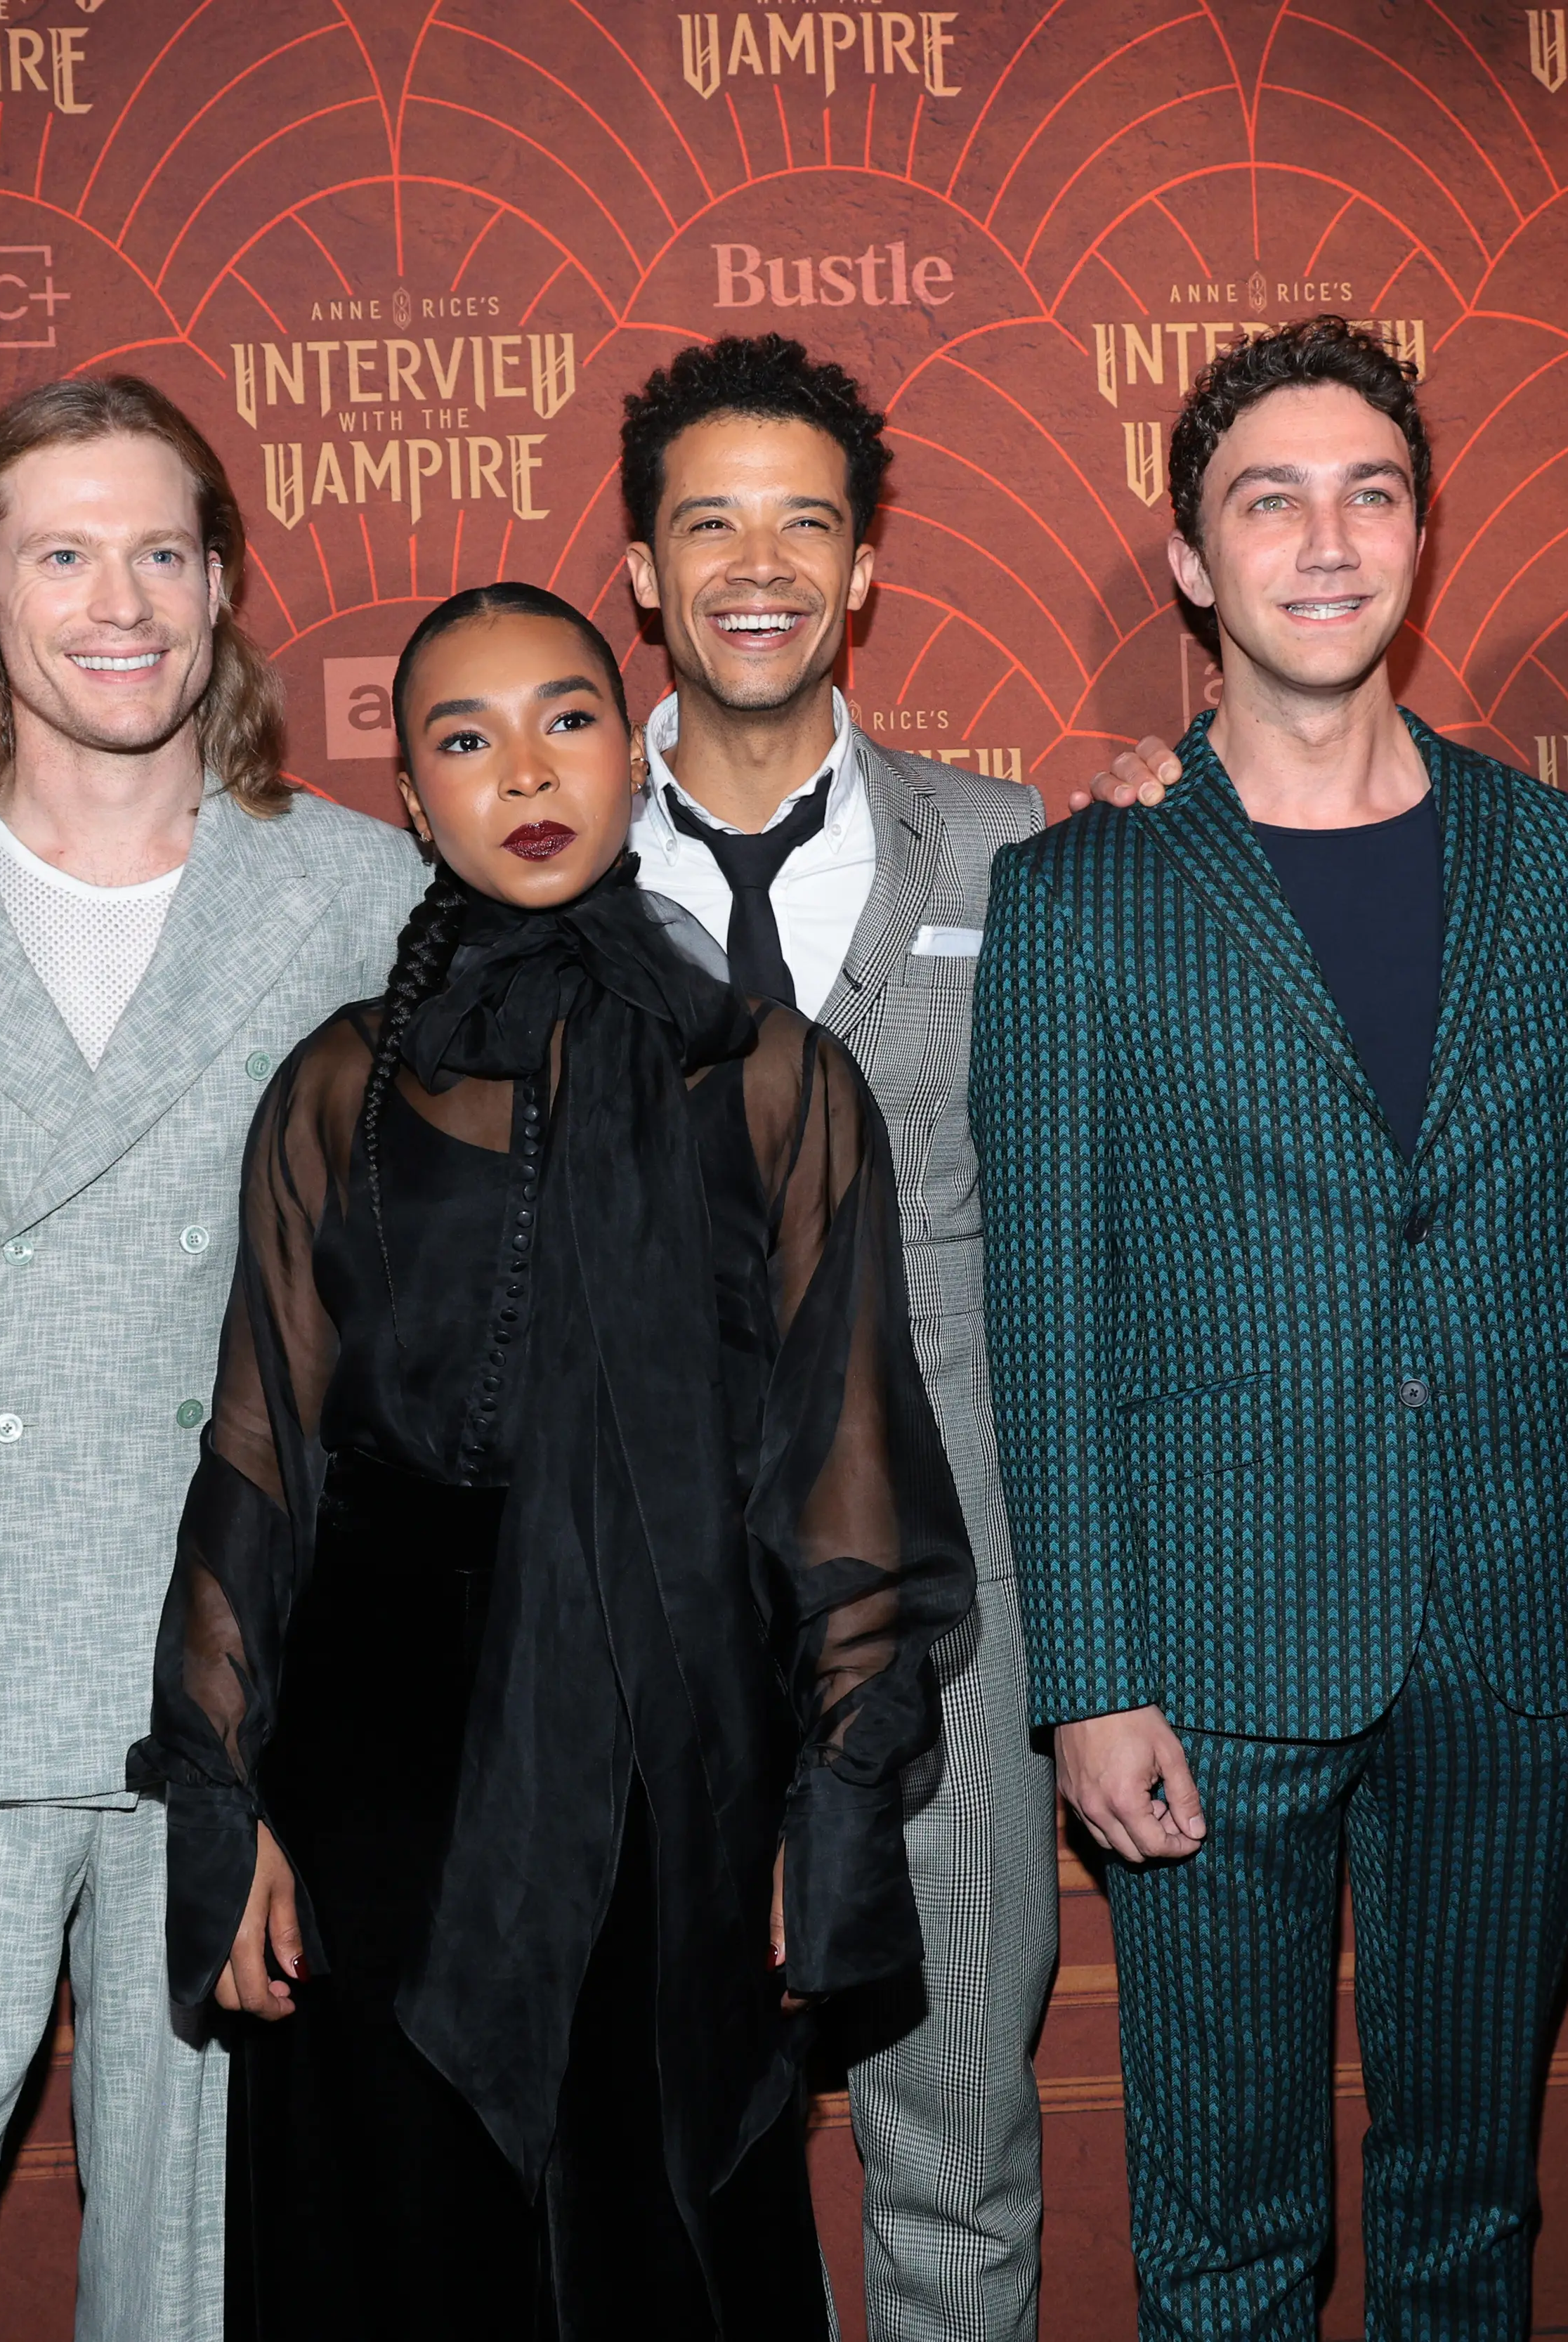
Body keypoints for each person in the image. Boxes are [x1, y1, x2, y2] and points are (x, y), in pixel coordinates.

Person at [141, 581, 972, 2339]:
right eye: (463, 737)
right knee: (402, 2254)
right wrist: (228, 1803)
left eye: (565, 718)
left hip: (675, 1759)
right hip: (379, 1781)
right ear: (416, 800)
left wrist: (819, 1812)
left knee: (649, 2252)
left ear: (633, 749)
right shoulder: (340, 1088)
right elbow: (259, 1458)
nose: (522, 767)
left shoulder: (771, 1078)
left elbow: (847, 1479)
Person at [972, 317, 1568, 2340]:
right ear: (1192, 560)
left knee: (1467, 2211)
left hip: (1518, 1636)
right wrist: (1087, 1672)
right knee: (1228, 2235)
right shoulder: (1078, 894)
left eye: (1369, 494)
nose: (1324, 541)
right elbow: (1044, 1309)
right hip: (1211, 1655)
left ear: (1426, 536)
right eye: (1270, 499)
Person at [0, 375, 420, 2342]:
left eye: (159, 549)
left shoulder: (357, 893)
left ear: (220, 585)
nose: (115, 597)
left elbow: (422, 1321)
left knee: (210, 2286)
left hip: (229, 1696)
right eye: (61, 550)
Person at [615, 332, 1054, 2341]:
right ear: (642, 568)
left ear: (865, 565)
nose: (759, 563)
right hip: (639, 1627)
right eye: (711, 519)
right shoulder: (531, 872)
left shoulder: (1016, 848)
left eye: (806, 518)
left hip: (949, 1616)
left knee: (952, 2145)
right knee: (649, 2153)